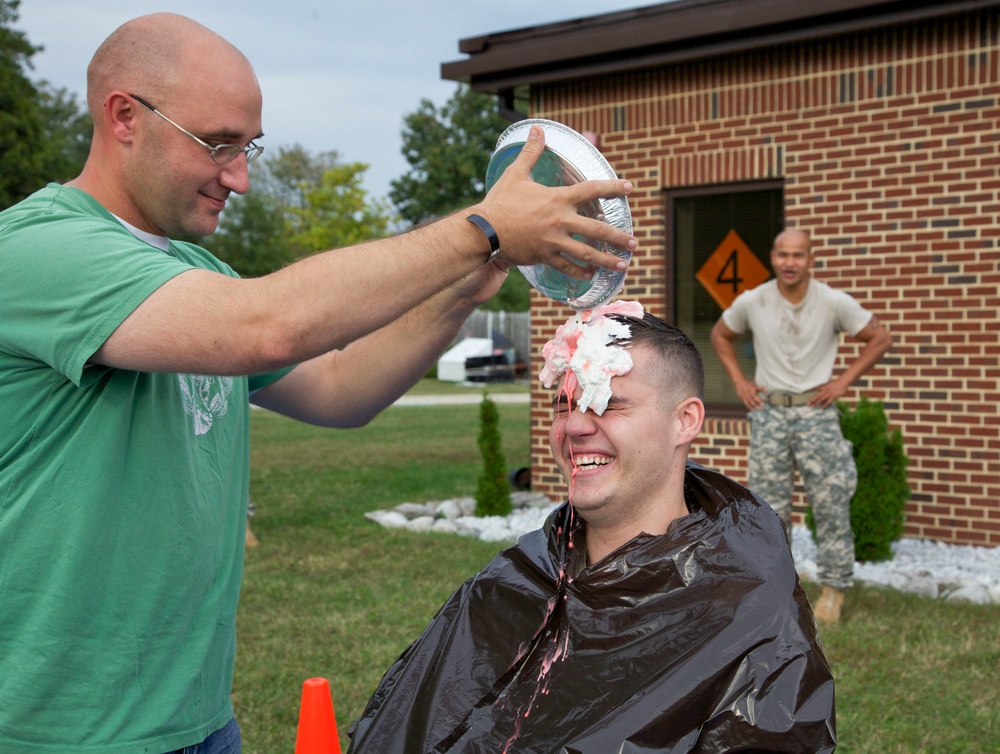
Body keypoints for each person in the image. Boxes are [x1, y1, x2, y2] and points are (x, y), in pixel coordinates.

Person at [0, 13, 637, 754]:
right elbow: (266, 325)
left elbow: (340, 387)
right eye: (219, 143)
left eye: (249, 146)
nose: (239, 175)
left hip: (198, 721)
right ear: (124, 117)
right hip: (59, 734)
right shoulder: (40, 250)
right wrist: (481, 228)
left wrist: (472, 277)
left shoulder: (196, 276)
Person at [347, 305, 836, 754]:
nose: (573, 428)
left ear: (684, 421)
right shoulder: (514, 582)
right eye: (564, 406)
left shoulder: (740, 608)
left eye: (606, 404)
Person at [710, 228, 893, 624]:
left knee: (830, 500)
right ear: (773, 258)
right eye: (783, 255)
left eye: (798, 255)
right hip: (770, 413)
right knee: (768, 507)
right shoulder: (754, 301)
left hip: (815, 412)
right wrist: (740, 381)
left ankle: (834, 589)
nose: (790, 262)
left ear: (810, 259)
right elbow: (721, 335)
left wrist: (843, 382)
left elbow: (878, 337)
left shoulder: (833, 302)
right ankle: (777, 585)